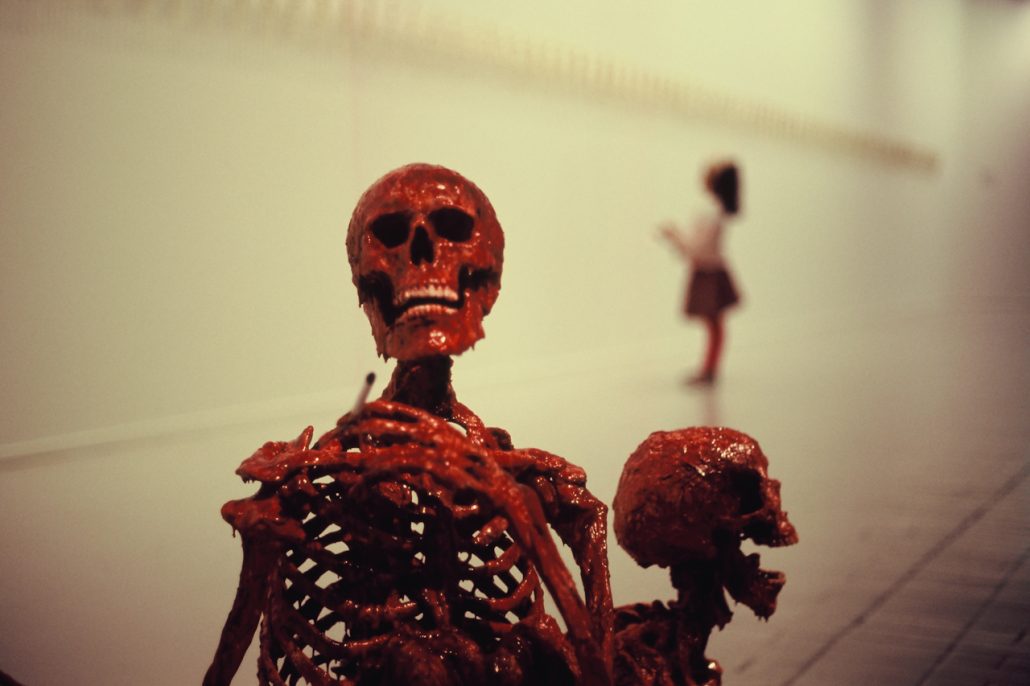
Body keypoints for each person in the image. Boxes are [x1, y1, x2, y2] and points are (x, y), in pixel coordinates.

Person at [659, 160, 742, 385]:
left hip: (708, 272)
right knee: (715, 324)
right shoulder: (716, 210)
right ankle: (709, 368)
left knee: (713, 324)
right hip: (712, 269)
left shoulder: (709, 211)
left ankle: (709, 370)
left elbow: (695, 249)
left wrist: (673, 235)